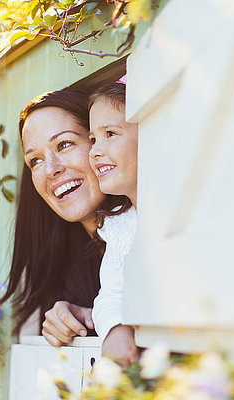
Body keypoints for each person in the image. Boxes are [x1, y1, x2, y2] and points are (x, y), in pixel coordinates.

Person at [0, 90, 126, 347]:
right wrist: (74, 314)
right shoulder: (63, 257)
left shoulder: (142, 230)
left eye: (64, 144)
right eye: (35, 160)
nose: (51, 168)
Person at [88, 81, 140, 366]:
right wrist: (115, 329)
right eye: (93, 139)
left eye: (110, 133)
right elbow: (109, 293)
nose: (95, 151)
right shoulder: (121, 225)